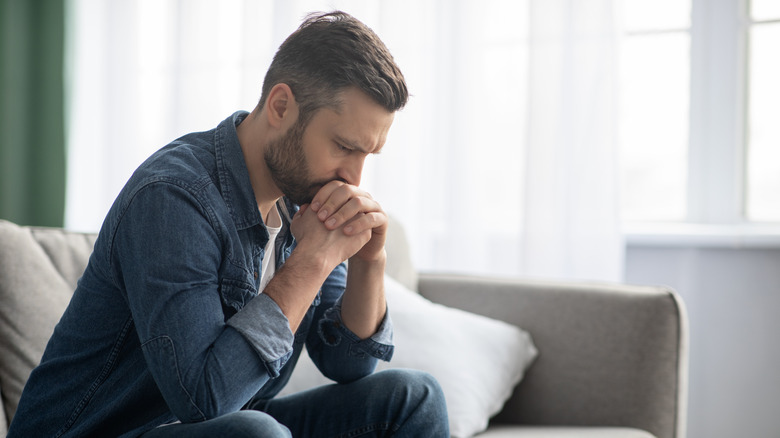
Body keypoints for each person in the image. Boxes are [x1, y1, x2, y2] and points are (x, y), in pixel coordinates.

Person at [8, 11, 449, 438]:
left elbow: (347, 364)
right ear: (281, 106)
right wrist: (312, 260)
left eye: (366, 155)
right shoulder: (174, 196)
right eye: (342, 146)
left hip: (232, 421)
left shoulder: (305, 201)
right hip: (101, 431)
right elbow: (203, 398)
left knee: (414, 398)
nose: (353, 178)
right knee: (255, 432)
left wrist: (370, 260)